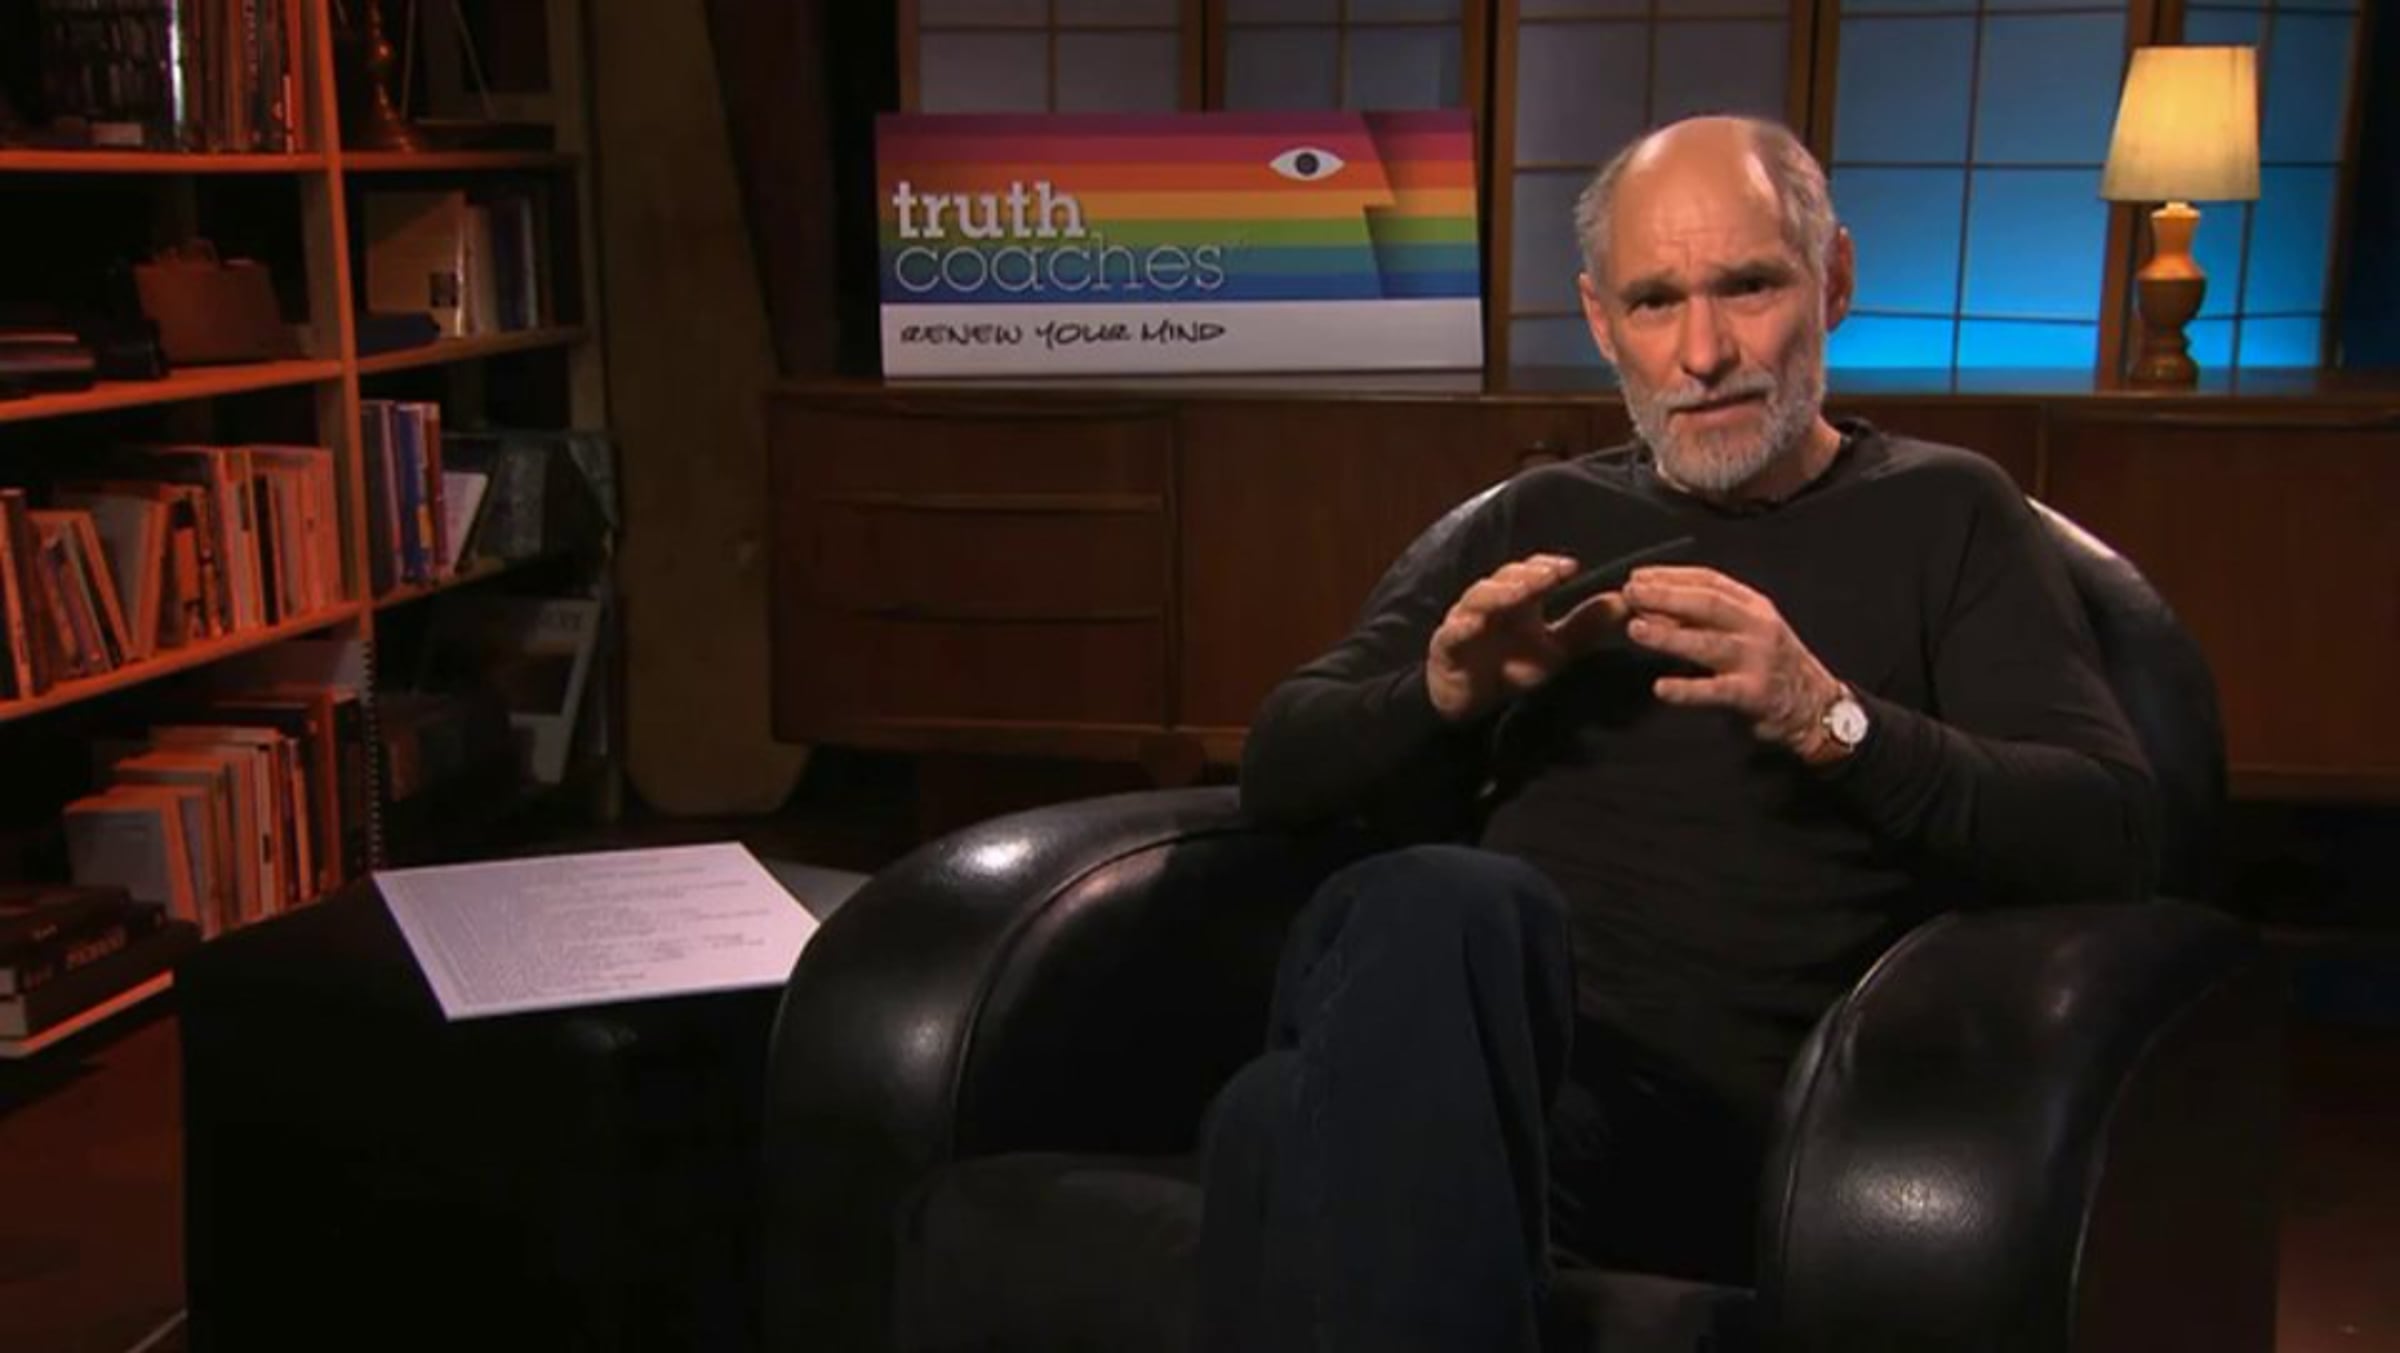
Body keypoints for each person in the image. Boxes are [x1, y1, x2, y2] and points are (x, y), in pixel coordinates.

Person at [1192, 115, 2160, 1353]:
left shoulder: (1946, 513)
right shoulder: (1543, 513)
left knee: (1274, 1123)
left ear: (1835, 281)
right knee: (1449, 904)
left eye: (1748, 287)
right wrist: (1435, 696)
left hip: (1708, 1124)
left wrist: (1830, 718)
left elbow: (2111, 828)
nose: (1703, 354)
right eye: (1655, 303)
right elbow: (1279, 764)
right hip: (1482, 1047)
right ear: (1603, 323)